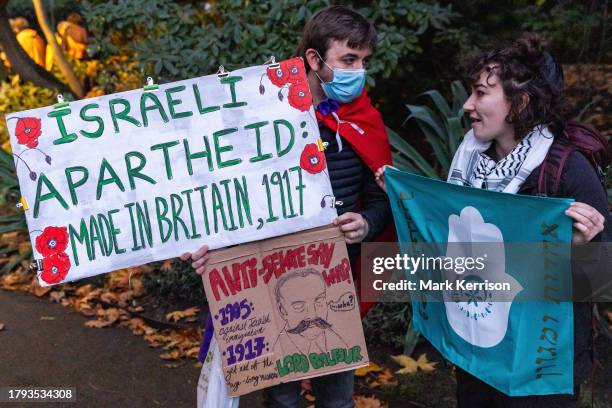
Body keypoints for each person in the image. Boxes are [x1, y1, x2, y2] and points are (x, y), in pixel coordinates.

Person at [375, 33, 610, 407]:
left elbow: (601, 276)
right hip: (479, 347)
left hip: (540, 363)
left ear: (520, 103)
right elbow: (449, 239)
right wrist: (405, 195)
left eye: (481, 93)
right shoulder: (469, 158)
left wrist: (582, 249)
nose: (468, 105)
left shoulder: (567, 171)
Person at [182, 5, 393, 407]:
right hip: (268, 275)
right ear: (314, 59)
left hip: (335, 279)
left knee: (337, 399)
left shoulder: (362, 118)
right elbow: (224, 196)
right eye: (348, 60)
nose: (358, 71)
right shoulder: (258, 116)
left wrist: (366, 223)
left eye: (364, 61)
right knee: (282, 399)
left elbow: (383, 200)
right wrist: (208, 245)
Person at [272, 268, 347, 356]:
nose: (312, 315)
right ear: (283, 311)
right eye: (299, 305)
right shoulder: (278, 352)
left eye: (319, 300)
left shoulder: (340, 342)